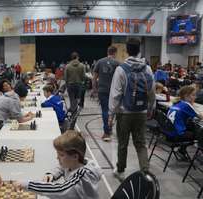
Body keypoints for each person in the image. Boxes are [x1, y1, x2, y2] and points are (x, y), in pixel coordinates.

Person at [108, 38, 155, 180]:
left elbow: (115, 94)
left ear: (126, 50)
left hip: (124, 113)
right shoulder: (147, 68)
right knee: (141, 143)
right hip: (141, 112)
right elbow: (151, 91)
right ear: (139, 50)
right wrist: (150, 107)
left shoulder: (121, 69)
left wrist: (111, 113)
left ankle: (120, 170)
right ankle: (145, 172)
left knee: (123, 143)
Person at [13, 130, 101, 199]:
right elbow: (62, 167)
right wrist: (51, 174)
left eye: (61, 155)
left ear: (75, 156)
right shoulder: (77, 163)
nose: (57, 158)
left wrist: (26, 184)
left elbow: (60, 190)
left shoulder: (83, 177)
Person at [167, 86, 203, 157]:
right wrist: (193, 105)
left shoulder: (176, 102)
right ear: (186, 96)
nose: (195, 97)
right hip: (176, 135)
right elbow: (201, 117)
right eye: (193, 95)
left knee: (191, 126)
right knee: (199, 134)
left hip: (167, 132)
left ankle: (182, 150)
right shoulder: (187, 105)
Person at [93, 46, 120, 141]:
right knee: (112, 111)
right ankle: (109, 127)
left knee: (104, 110)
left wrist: (94, 89)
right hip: (114, 91)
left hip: (102, 90)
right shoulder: (117, 63)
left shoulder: (100, 62)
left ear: (108, 52)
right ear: (115, 53)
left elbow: (94, 77)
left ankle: (106, 132)